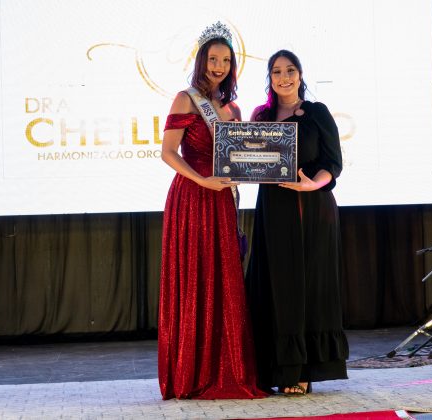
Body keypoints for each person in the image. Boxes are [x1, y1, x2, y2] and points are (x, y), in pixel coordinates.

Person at [157, 22, 266, 400]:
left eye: (226, 60)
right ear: (201, 60)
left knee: (224, 280)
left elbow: (238, 158)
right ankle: (191, 373)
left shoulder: (233, 108)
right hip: (192, 197)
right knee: (196, 279)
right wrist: (202, 180)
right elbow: (168, 152)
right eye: (213, 59)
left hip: (222, 200)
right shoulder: (185, 99)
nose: (219, 66)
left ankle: (226, 368)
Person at [246, 50, 349, 395]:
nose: (284, 77)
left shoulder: (317, 113)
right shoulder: (261, 117)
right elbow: (247, 159)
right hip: (274, 208)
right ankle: (275, 368)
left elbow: (333, 164)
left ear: (300, 75)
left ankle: (303, 369)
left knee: (307, 287)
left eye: (290, 70)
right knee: (277, 286)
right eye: (276, 71)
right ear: (270, 78)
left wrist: (311, 184)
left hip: (311, 207)